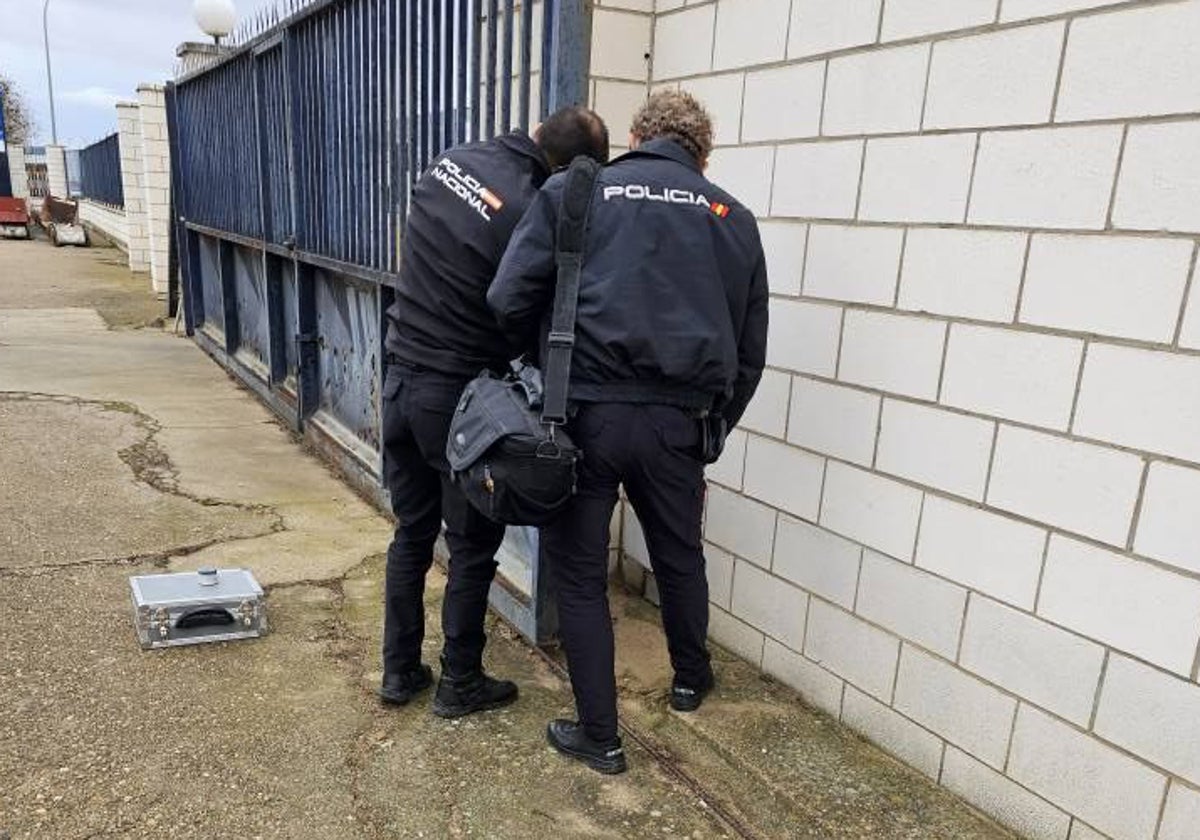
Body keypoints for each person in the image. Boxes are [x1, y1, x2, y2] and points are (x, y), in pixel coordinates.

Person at [488, 90, 769, 772]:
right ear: (704, 153)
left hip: (581, 415)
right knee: (679, 555)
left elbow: (506, 297)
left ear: (639, 135)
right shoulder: (733, 217)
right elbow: (751, 348)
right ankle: (689, 680)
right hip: (680, 422)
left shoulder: (579, 193)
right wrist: (713, 428)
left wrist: (546, 369)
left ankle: (600, 736)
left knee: (581, 576)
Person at [379, 108, 610, 718]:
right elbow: (514, 301)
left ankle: (399, 671)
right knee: (472, 546)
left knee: (410, 534)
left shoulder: (454, 159)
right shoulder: (532, 205)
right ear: (572, 170)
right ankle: (459, 681)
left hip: (398, 377)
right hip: (455, 400)